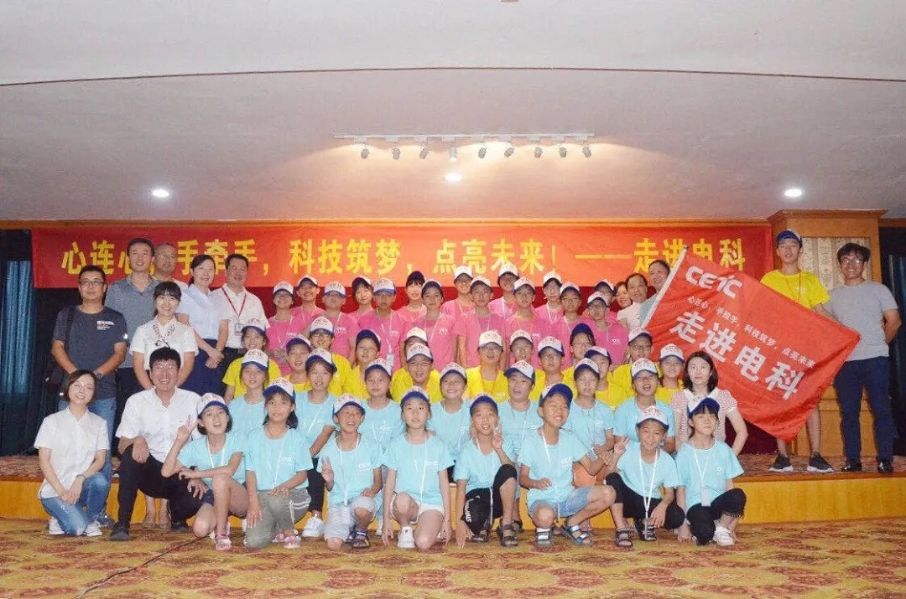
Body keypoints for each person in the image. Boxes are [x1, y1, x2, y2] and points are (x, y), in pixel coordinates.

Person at [110, 348, 204, 541]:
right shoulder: (137, 401)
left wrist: (198, 473)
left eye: (170, 367)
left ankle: (177, 516)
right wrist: (137, 439)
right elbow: (121, 445)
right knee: (129, 454)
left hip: (181, 470)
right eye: (159, 368)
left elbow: (203, 443)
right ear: (150, 373)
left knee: (197, 495)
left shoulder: (193, 400)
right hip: (150, 471)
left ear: (179, 372)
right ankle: (122, 522)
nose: (165, 374)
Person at [760, 230, 834, 473]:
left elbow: (821, 312)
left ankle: (816, 455)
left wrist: (845, 331)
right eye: (783, 245)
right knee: (781, 401)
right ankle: (782, 456)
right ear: (778, 251)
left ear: (800, 250)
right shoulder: (769, 279)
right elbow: (762, 313)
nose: (788, 250)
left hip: (806, 351)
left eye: (793, 245)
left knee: (811, 401)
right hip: (779, 350)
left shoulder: (810, 280)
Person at [826, 242, 902, 474]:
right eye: (846, 260)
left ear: (864, 264)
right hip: (846, 363)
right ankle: (853, 460)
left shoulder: (879, 290)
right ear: (840, 265)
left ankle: (885, 459)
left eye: (856, 259)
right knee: (849, 412)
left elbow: (894, 321)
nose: (851, 264)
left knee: (881, 410)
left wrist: (880, 344)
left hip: (875, 359)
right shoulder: (832, 296)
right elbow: (822, 324)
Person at [50, 265, 126, 494]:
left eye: (96, 282)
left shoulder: (115, 318)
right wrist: (78, 379)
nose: (91, 286)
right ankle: (65, 497)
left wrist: (94, 377)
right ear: (79, 287)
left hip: (104, 393)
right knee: (67, 448)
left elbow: (120, 353)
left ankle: (97, 507)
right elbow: (57, 348)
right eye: (86, 282)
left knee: (101, 451)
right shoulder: (66, 315)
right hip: (70, 393)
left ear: (105, 287)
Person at [519, 384, 614, 547]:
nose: (559, 411)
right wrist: (535, 483)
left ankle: (572, 523)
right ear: (541, 411)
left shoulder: (570, 438)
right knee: (545, 515)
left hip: (568, 498)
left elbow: (592, 469)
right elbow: (522, 478)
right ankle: (544, 526)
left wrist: (603, 458)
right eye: (553, 406)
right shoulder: (530, 440)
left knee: (609, 493)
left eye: (564, 407)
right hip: (542, 499)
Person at [160, 394, 248, 551]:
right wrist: (179, 441)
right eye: (209, 414)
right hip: (216, 494)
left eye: (220, 412)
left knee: (220, 479)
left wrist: (196, 474)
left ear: (228, 417)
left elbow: (230, 470)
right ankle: (222, 519)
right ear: (200, 422)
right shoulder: (195, 447)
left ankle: (221, 533)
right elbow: (166, 472)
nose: (216, 418)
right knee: (199, 529)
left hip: (241, 493)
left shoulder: (238, 437)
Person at [35, 370, 110, 537]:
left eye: (89, 387)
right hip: (55, 490)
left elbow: (100, 460)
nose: (82, 391)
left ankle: (89, 519)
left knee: (100, 481)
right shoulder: (51, 421)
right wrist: (62, 492)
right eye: (77, 385)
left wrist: (80, 478)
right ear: (68, 387)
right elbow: (44, 461)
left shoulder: (99, 423)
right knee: (77, 528)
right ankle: (63, 517)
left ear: (93, 393)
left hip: (80, 487)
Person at [243, 378, 312, 549]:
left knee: (277, 499)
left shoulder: (297, 438)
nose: (277, 407)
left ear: (292, 407)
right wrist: (253, 502)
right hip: (263, 496)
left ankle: (289, 531)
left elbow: (302, 474)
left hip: (293, 495)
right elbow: (250, 472)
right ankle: (277, 528)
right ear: (266, 406)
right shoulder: (253, 436)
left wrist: (284, 486)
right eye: (272, 402)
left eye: (283, 403)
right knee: (254, 542)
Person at [382, 387, 454, 551]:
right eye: (409, 408)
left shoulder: (438, 445)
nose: (415, 413)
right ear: (402, 415)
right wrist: (386, 520)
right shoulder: (396, 445)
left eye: (421, 408)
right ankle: (405, 527)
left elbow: (444, 484)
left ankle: (428, 528)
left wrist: (447, 520)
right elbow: (389, 484)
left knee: (423, 543)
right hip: (406, 504)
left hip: (431, 504)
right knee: (402, 499)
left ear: (428, 414)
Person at [606, 407, 684, 548]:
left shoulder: (667, 460)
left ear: (664, 436)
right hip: (627, 500)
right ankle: (621, 528)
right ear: (638, 431)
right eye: (646, 431)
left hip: (649, 500)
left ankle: (644, 522)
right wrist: (616, 455)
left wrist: (662, 506)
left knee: (677, 516)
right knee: (613, 477)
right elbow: (608, 476)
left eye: (657, 433)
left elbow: (669, 493)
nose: (650, 438)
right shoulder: (628, 449)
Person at [675, 397, 747, 546]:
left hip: (718, 504)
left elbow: (729, 485)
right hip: (696, 504)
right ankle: (707, 527)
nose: (707, 420)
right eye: (701, 416)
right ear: (691, 422)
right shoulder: (684, 453)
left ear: (717, 421)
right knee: (704, 535)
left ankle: (721, 528)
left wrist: (730, 526)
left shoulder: (724, 449)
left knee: (738, 495)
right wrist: (682, 525)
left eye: (712, 416)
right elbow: (680, 491)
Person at [105, 238, 159, 429]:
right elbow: (109, 326)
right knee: (127, 414)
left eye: (145, 253)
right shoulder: (116, 288)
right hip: (125, 362)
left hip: (155, 363)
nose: (140, 258)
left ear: (152, 259)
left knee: (154, 413)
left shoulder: (161, 289)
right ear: (128, 258)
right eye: (135, 253)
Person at [318, 396, 382, 550]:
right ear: (336, 418)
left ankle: (360, 530)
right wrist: (329, 480)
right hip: (340, 504)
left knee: (362, 508)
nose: (351, 417)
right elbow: (329, 488)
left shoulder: (372, 446)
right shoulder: (327, 450)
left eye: (356, 413)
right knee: (333, 544)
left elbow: (378, 481)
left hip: (363, 499)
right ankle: (347, 528)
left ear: (362, 418)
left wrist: (373, 490)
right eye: (346, 412)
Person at [454, 395, 519, 547]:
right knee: (474, 512)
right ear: (472, 421)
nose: (485, 420)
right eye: (479, 415)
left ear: (497, 419)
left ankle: (506, 524)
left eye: (490, 414)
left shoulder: (505, 442)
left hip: (499, 499)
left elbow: (511, 473)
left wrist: (499, 449)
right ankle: (484, 524)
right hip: (478, 499)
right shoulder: (466, 450)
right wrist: (459, 522)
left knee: (507, 469)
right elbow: (461, 488)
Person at [296, 348, 339, 539]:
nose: (319, 378)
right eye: (314, 372)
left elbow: (324, 435)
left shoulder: (336, 403)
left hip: (319, 454)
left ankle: (317, 516)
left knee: (315, 464)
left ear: (331, 376)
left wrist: (303, 458)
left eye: (324, 373)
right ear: (307, 374)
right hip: (296, 452)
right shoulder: (296, 398)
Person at [670, 351, 748, 455]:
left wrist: (730, 458)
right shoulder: (679, 397)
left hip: (716, 455)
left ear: (711, 371)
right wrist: (684, 457)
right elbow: (673, 433)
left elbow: (742, 432)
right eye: (693, 367)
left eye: (703, 367)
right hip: (688, 454)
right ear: (687, 372)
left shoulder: (723, 397)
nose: (698, 372)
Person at [498, 360, 541, 533]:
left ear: (532, 387)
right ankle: (513, 514)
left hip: (534, 460)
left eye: (523, 381)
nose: (517, 385)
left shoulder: (541, 411)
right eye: (513, 379)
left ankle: (545, 511)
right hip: (506, 461)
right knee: (509, 464)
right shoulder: (497, 410)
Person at [130, 282, 197, 390]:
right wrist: (151, 392)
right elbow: (138, 365)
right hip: (146, 385)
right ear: (154, 300)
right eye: (162, 298)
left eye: (172, 299)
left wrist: (172, 389)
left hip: (178, 386)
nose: (167, 303)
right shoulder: (142, 330)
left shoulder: (186, 331)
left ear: (178, 302)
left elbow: (188, 364)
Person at [177, 254, 228, 395]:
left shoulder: (219, 298)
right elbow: (184, 325)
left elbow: (224, 328)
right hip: (194, 350)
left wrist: (217, 352)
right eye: (201, 268)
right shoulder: (184, 295)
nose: (206, 273)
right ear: (192, 272)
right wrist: (210, 350)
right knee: (192, 394)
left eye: (210, 269)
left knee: (214, 396)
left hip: (216, 354)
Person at [211, 253, 267, 367]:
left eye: (242, 269)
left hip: (249, 355)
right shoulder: (213, 297)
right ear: (226, 272)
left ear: (246, 273)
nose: (238, 273)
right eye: (234, 268)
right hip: (221, 355)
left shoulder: (255, 300)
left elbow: (264, 331)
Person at [568, 359, 615, 487]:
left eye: (592, 380)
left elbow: (610, 439)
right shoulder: (568, 409)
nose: (587, 384)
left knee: (616, 476)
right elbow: (566, 441)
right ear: (575, 383)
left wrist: (603, 449)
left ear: (598, 382)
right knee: (585, 478)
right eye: (582, 380)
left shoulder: (605, 409)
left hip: (603, 458)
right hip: (579, 462)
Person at [614, 359, 676, 453]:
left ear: (658, 381)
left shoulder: (666, 410)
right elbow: (620, 444)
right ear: (633, 385)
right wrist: (642, 456)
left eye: (650, 376)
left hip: (658, 457)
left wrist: (651, 455)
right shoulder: (623, 410)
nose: (646, 380)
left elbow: (670, 444)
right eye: (639, 378)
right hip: (631, 459)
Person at [221, 320, 281, 402]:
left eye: (257, 337)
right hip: (239, 408)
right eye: (248, 336)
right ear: (243, 341)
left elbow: (275, 394)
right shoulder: (235, 364)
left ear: (264, 341)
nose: (252, 341)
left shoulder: (272, 366)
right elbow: (228, 396)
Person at [455, 276, 507, 368]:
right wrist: (465, 370)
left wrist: (501, 371)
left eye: (485, 291)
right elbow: (461, 347)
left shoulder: (499, 319)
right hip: (471, 369)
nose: (481, 295)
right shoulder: (464, 318)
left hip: (493, 369)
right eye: (476, 292)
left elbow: (503, 347)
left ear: (491, 295)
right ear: (471, 296)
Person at [428, 363, 472, 469]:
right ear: (440, 386)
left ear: (465, 386)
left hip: (466, 463)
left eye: (457, 381)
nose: (451, 385)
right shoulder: (431, 410)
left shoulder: (472, 409)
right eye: (446, 381)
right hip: (439, 463)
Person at [358, 278, 406, 372]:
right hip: (372, 373)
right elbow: (360, 349)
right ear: (374, 297)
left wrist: (403, 374)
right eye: (379, 294)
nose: (384, 298)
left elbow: (403, 352)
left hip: (396, 372)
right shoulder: (364, 320)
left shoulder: (402, 321)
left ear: (394, 297)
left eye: (388, 295)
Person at [414, 279, 457, 370]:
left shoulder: (451, 321)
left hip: (445, 372)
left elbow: (455, 351)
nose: (432, 299)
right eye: (427, 295)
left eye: (436, 295)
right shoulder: (417, 323)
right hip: (424, 372)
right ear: (422, 299)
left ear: (442, 299)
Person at [227, 349, 270, 437]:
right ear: (241, 374)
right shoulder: (233, 406)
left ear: (265, 376)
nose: (252, 375)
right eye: (247, 371)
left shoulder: (272, 406)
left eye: (258, 371)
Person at [580, 291, 628, 365]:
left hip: (618, 370)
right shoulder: (585, 332)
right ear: (588, 310)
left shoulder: (619, 329)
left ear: (607, 310)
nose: (596, 309)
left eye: (600, 305)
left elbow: (627, 353)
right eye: (592, 306)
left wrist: (619, 366)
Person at [308, 316, 353, 395]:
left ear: (332, 339)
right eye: (316, 334)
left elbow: (349, 391)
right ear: (310, 339)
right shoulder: (305, 361)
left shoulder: (343, 363)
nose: (321, 337)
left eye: (325, 333)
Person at [267, 281, 305, 375]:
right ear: (273, 300)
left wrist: (290, 353)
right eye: (279, 294)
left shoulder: (300, 323)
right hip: (270, 373)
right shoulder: (265, 323)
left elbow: (307, 348)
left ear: (292, 301)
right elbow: (260, 348)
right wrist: (271, 352)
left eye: (286, 295)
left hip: (294, 374)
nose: (282, 297)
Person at [321, 281, 360, 362]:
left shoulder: (350, 321)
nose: (333, 297)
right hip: (320, 366)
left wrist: (347, 367)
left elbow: (354, 348)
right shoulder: (316, 320)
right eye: (329, 294)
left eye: (337, 295)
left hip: (343, 366)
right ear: (323, 299)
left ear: (344, 300)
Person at [465, 331, 509, 402]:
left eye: (495, 348)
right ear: (478, 352)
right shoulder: (467, 376)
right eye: (485, 347)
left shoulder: (507, 380)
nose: (490, 351)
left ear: (501, 353)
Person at [612, 329, 656, 395]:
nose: (641, 350)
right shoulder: (619, 372)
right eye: (636, 347)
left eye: (646, 346)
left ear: (652, 349)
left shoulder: (659, 370)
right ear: (628, 349)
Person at [344, 329, 381, 398]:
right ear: (356, 351)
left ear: (377, 354)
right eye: (362, 347)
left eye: (370, 348)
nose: (365, 351)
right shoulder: (350, 376)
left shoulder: (383, 376)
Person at [639, 259, 670, 324]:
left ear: (669, 274)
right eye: (652, 273)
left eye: (659, 272)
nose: (656, 276)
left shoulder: (681, 297)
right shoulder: (646, 306)